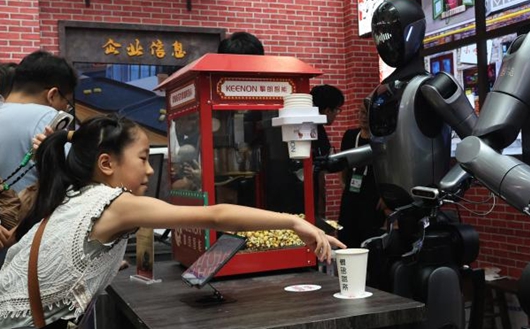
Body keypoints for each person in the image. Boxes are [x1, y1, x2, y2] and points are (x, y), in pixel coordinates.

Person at [0, 114, 345, 328]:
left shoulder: (75, 196)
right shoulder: (115, 203)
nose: (150, 170)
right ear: (106, 164)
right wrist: (294, 222)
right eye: (143, 158)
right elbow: (216, 215)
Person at [0, 51, 77, 193]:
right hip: (25, 207)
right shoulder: (47, 117)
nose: (66, 108)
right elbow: (74, 177)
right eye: (67, 102)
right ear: (52, 95)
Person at [337, 101, 385, 248]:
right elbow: (343, 162)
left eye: (367, 113)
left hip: (373, 195)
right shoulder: (350, 136)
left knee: (369, 237)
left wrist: (385, 196)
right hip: (351, 193)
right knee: (346, 234)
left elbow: (390, 168)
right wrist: (343, 182)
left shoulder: (382, 139)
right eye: (361, 112)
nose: (363, 117)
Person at [310, 84, 344, 218]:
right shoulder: (314, 130)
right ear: (327, 110)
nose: (337, 114)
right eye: (337, 110)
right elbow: (319, 171)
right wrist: (320, 207)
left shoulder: (316, 127)